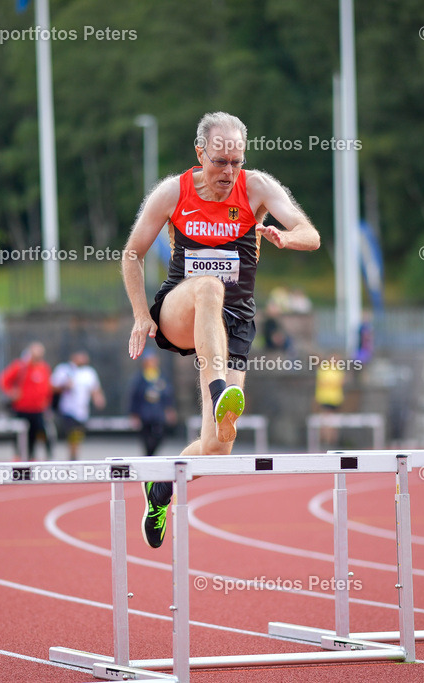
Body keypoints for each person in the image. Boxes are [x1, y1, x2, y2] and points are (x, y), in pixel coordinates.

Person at [122, 111, 320, 548]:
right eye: (218, 162)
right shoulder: (174, 191)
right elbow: (132, 254)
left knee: (218, 446)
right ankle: (216, 393)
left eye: (235, 162)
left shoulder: (257, 187)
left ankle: (161, 487)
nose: (227, 172)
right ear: (200, 154)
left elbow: (311, 233)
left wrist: (288, 238)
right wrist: (141, 314)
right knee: (208, 287)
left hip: (235, 321)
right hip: (181, 310)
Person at [0, 342, 53, 461]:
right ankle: (18, 458)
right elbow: (4, 379)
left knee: (36, 433)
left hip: (37, 409)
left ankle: (32, 457)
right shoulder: (20, 366)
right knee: (20, 435)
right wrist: (11, 392)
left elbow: (47, 387)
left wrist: (46, 402)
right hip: (21, 408)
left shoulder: (44, 368)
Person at [51, 350, 106, 460]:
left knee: (78, 434)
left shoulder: (89, 372)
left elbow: (95, 389)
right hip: (68, 410)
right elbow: (53, 387)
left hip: (82, 411)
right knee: (73, 432)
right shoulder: (64, 370)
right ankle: (73, 455)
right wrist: (64, 386)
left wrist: (98, 399)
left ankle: (74, 454)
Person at [129, 352, 177, 456]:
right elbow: (134, 396)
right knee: (145, 439)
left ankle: (150, 455)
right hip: (144, 415)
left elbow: (168, 394)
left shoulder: (162, 377)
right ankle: (148, 456)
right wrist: (134, 415)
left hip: (158, 414)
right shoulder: (139, 378)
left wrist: (170, 410)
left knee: (160, 436)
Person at [315, 353, 346, 449]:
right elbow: (322, 383)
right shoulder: (324, 369)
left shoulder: (338, 371)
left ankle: (332, 441)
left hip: (336, 399)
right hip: (325, 398)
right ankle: (326, 441)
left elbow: (340, 382)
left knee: (334, 421)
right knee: (326, 420)